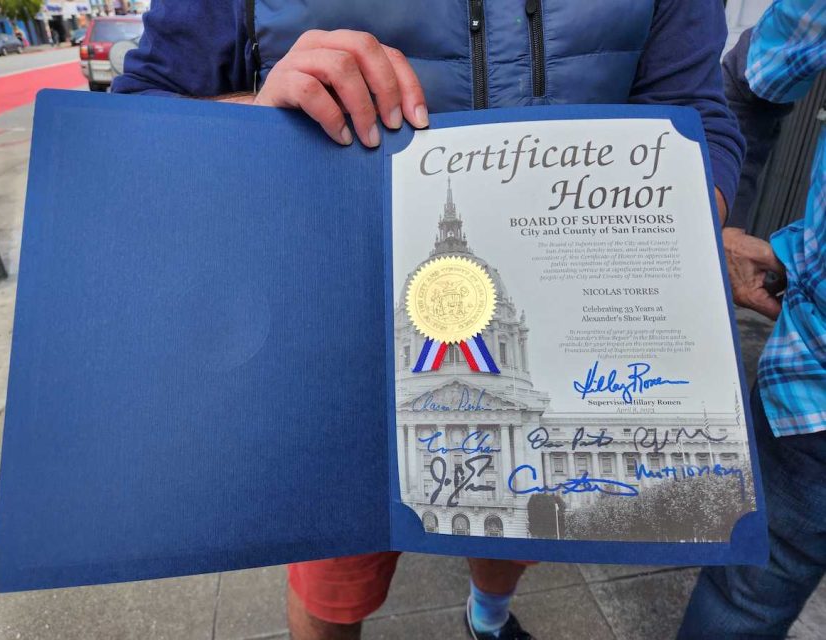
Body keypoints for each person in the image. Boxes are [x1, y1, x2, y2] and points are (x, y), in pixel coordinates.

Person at [113, 2, 745, 638]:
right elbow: (132, 126)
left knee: (510, 528)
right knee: (334, 578)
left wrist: (677, 218)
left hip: (549, 322)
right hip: (339, 345)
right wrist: (253, 121)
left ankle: (488, 618)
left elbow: (696, 118)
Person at [679, 1, 825, 638]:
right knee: (748, 595)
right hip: (812, 390)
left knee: (747, 598)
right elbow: (747, 85)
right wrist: (708, 239)